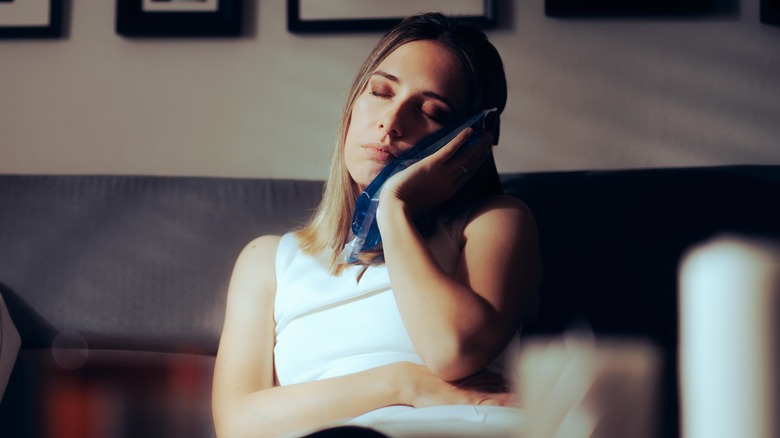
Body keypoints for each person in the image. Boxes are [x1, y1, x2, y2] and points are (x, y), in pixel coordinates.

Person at [212, 12, 542, 438]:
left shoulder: (495, 222)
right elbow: (236, 424)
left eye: (432, 111)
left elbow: (452, 352)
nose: (391, 122)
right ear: (352, 104)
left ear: (470, 141)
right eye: (381, 92)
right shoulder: (267, 260)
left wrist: (393, 207)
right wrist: (406, 384)